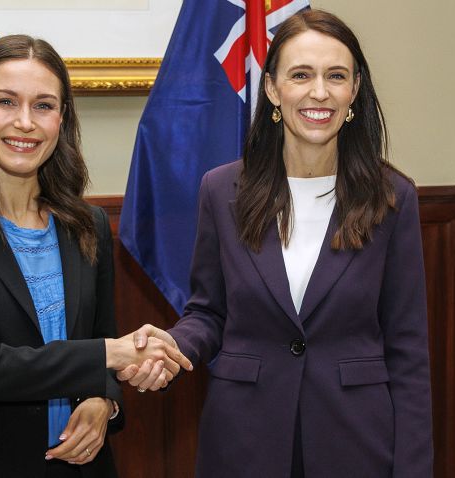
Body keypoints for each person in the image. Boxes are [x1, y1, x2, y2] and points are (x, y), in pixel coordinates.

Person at [119, 9, 433, 477]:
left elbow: (407, 350)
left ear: (355, 91)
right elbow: (209, 312)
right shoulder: (221, 190)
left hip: (357, 442)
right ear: (271, 88)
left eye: (336, 76)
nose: (319, 92)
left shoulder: (393, 199)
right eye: (301, 75)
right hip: (244, 438)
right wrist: (173, 344)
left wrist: (412, 469)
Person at [0, 35, 191, 478]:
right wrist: (111, 355)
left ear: (62, 117)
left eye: (44, 106)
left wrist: (103, 401)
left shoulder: (86, 224)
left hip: (83, 467)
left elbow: (99, 338)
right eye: (6, 102)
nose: (25, 123)